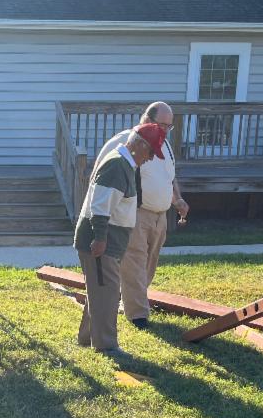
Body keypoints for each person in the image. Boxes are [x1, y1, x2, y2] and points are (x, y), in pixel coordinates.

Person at [72, 122, 166, 356]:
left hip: (108, 241)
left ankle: (87, 338)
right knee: (108, 293)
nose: (151, 158)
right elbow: (100, 206)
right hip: (101, 242)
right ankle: (106, 345)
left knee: (99, 291)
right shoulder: (117, 165)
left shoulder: (124, 163)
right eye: (151, 152)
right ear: (139, 145)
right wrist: (100, 238)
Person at [95, 101, 189, 328]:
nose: (165, 131)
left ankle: (130, 302)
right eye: (162, 125)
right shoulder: (126, 140)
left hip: (160, 216)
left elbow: (169, 177)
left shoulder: (165, 145)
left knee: (148, 264)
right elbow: (102, 174)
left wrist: (177, 200)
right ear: (146, 119)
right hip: (136, 213)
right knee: (134, 263)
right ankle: (138, 314)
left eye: (169, 127)